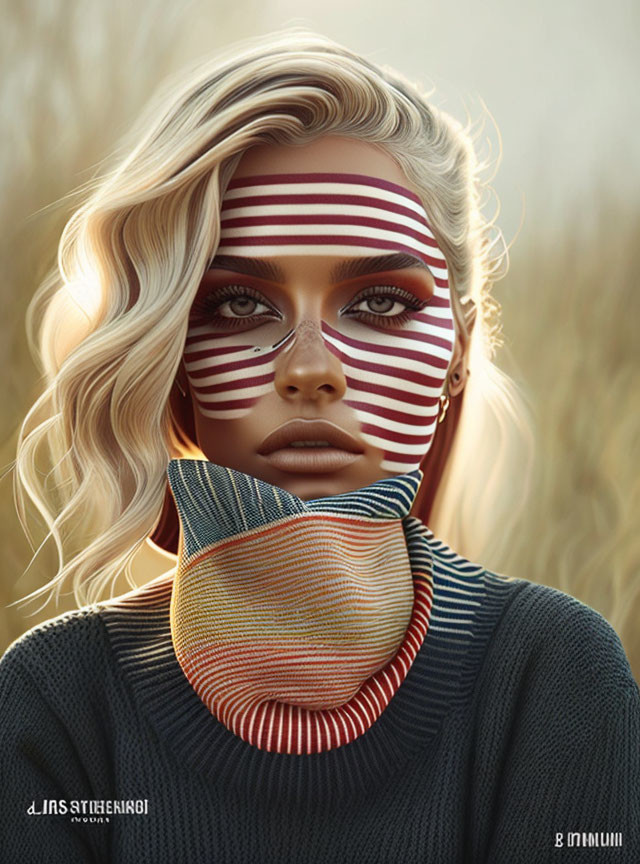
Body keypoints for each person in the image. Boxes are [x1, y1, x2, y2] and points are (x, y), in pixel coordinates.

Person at [1, 30, 638, 864]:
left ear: (458, 352)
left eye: (377, 302)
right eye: (237, 304)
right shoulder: (58, 705)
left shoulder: (553, 682)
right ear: (169, 358)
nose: (309, 370)